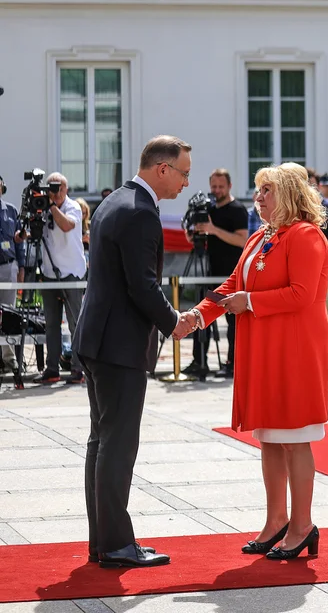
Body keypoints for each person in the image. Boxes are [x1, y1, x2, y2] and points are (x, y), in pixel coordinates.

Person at [194, 162, 328, 560]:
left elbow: (301, 294)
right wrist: (200, 315)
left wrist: (249, 303)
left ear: (288, 194)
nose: (258, 197)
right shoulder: (261, 236)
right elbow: (231, 286)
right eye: (257, 190)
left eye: (266, 190)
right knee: (270, 439)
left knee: (296, 439)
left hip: (295, 350)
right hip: (265, 348)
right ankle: (277, 521)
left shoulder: (306, 235)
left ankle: (302, 526)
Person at [73, 135, 196, 568]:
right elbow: (141, 285)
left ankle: (102, 540)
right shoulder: (141, 213)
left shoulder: (113, 201)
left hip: (98, 339)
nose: (185, 183)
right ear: (162, 169)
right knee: (117, 445)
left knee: (102, 442)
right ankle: (117, 544)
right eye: (182, 173)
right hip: (119, 345)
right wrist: (173, 321)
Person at [185, 169, 249, 377]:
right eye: (214, 187)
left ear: (229, 186)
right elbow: (198, 239)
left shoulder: (237, 209)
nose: (217, 191)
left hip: (230, 277)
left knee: (232, 321)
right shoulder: (208, 208)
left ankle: (233, 363)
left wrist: (214, 230)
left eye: (221, 187)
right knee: (203, 314)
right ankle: (199, 360)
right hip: (208, 274)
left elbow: (242, 240)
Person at [33, 172, 87, 385]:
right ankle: (52, 368)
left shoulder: (72, 207)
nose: (55, 192)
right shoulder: (43, 208)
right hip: (49, 273)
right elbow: (32, 233)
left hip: (71, 273)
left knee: (75, 323)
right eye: (51, 188)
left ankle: (77, 369)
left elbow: (66, 225)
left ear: (66, 189)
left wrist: (52, 207)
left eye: (58, 188)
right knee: (51, 324)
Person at [308, 169, 328, 356]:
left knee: (327, 312)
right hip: (304, 269)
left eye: (311, 184)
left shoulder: (327, 208)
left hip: (324, 268)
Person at [0, 175, 26, 375]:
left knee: (9, 314)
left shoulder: (11, 210)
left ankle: (10, 360)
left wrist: (22, 267)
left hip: (9, 267)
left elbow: (20, 242)